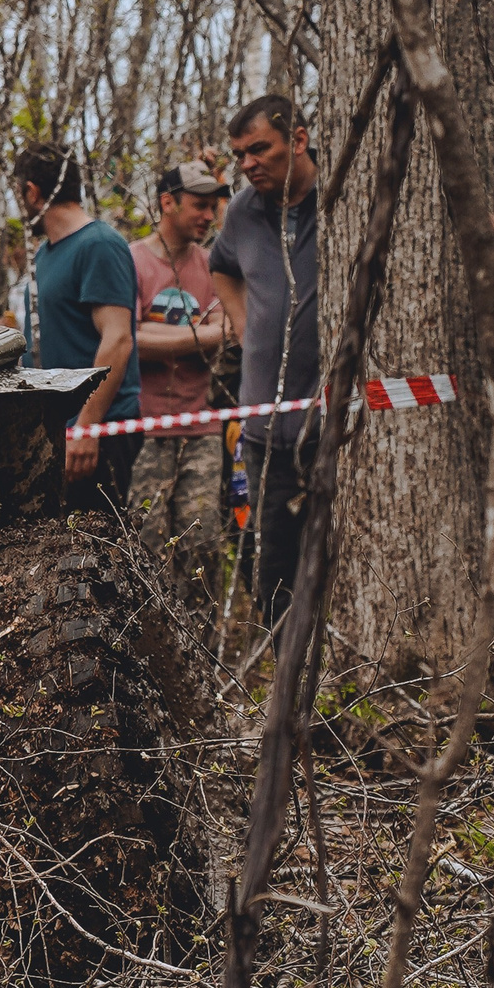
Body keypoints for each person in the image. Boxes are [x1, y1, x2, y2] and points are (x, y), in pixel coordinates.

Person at [209, 95, 320, 623]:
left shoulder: (343, 194)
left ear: (297, 140)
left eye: (259, 150)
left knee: (339, 562)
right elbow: (222, 266)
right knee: (273, 570)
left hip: (335, 426)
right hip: (263, 429)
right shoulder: (242, 211)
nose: (248, 164)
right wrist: (243, 323)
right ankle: (286, 668)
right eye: (239, 155)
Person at [10, 143, 142, 506]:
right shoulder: (45, 253)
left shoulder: (99, 245)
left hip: (98, 435)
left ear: (32, 192)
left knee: (98, 538)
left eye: (19, 195)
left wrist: (87, 426)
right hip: (58, 432)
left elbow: (118, 339)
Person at [128, 160, 233, 608]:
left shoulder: (214, 265)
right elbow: (128, 340)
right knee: (146, 546)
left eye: (213, 207)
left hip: (201, 428)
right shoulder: (132, 261)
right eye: (199, 205)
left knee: (202, 543)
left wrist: (161, 337)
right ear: (167, 203)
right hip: (144, 428)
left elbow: (229, 328)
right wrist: (199, 335)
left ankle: (201, 644)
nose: (209, 216)